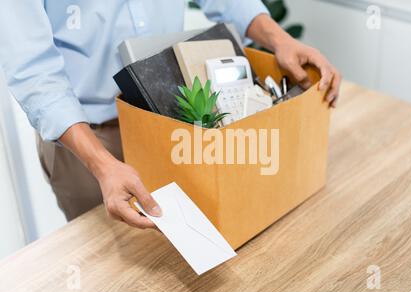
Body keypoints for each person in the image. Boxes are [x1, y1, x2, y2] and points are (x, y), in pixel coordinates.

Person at [0, 0, 341, 229]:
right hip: (87, 143)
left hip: (167, 118)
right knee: (111, 271)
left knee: (183, 255)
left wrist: (277, 39)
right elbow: (33, 70)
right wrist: (102, 166)